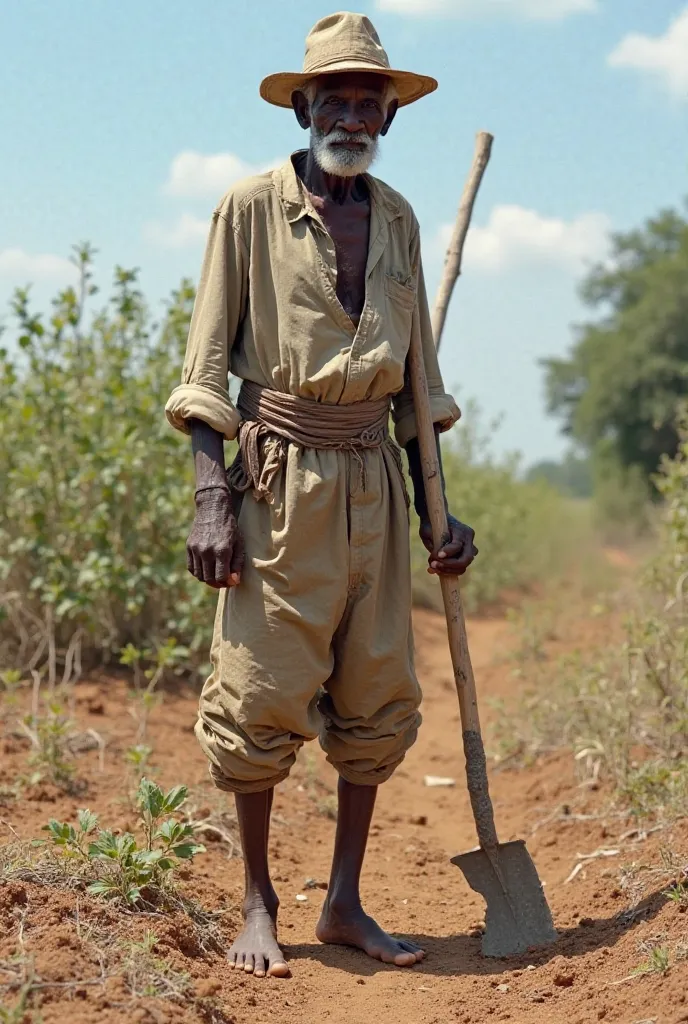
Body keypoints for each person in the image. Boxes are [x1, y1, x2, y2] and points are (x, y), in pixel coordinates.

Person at [165, 11, 478, 979]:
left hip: (376, 489)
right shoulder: (247, 207)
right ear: (301, 106)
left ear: (389, 118)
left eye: (368, 101)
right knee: (260, 693)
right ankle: (260, 899)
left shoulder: (396, 218)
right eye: (334, 97)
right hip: (275, 484)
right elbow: (205, 366)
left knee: (377, 695)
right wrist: (211, 496)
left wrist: (438, 513)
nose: (351, 113)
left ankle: (343, 901)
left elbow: (418, 385)